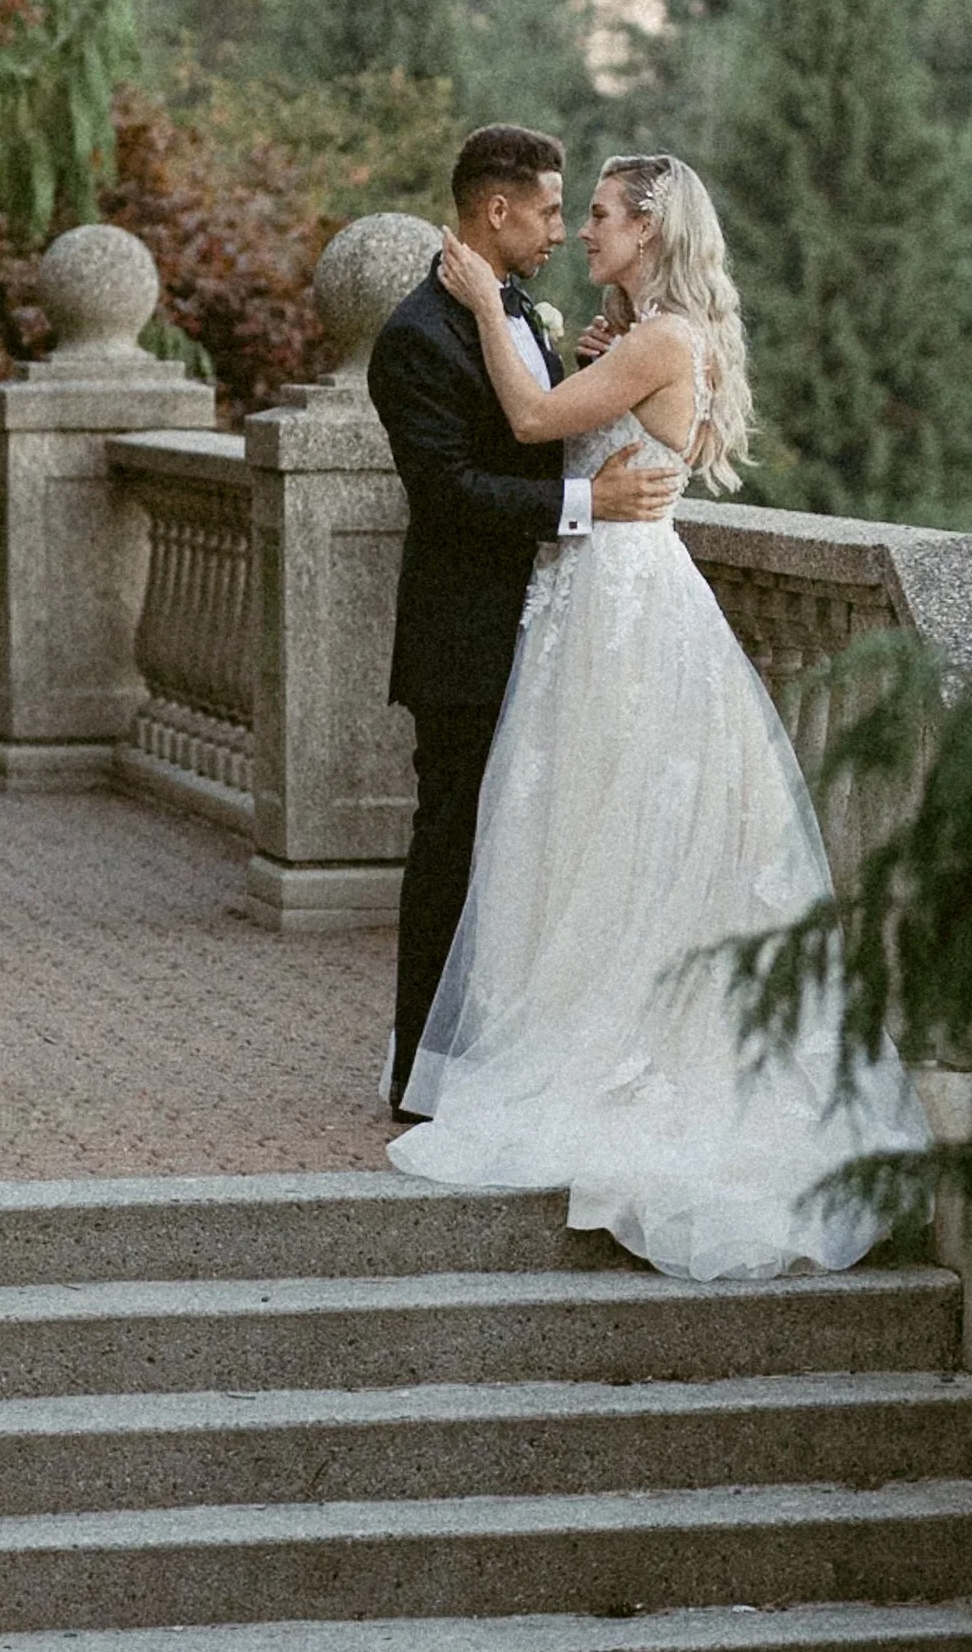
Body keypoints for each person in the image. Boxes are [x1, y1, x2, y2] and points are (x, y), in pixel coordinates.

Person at [388, 148, 928, 1277]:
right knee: (579, 830)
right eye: (566, 213)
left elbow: (534, 421)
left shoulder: (658, 340)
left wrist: (489, 302)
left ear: (651, 229)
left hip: (625, 606)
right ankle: (562, 1027)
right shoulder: (632, 338)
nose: (580, 230)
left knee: (627, 827)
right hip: (586, 602)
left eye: (597, 216)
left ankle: (623, 1053)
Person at [368, 126, 682, 1117]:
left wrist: (587, 374)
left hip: (557, 627)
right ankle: (422, 1071)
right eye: (549, 210)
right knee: (453, 846)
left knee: (535, 850)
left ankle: (502, 1048)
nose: (559, 229)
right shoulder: (415, 337)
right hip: (464, 634)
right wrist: (595, 505)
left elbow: (548, 426)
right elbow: (453, 490)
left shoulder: (522, 315)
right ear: (494, 211)